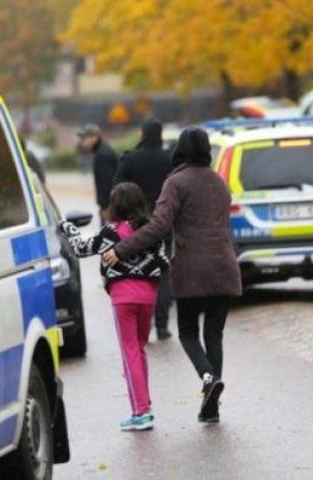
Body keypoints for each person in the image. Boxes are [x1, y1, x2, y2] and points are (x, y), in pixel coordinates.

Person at [103, 127, 242, 423]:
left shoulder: (176, 182)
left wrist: (122, 249)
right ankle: (212, 406)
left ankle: (207, 377)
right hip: (225, 267)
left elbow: (158, 226)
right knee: (214, 334)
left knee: (188, 332)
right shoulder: (219, 182)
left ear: (180, 149)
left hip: (193, 269)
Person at [59, 182, 170, 431]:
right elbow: (163, 261)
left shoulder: (110, 232)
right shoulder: (150, 232)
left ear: (115, 206)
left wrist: (68, 227)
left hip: (123, 298)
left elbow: (79, 249)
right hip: (148, 297)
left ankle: (141, 412)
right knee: (139, 349)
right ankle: (144, 404)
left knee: (129, 352)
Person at [114, 117, 173, 340]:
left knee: (137, 271)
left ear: (142, 134)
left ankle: (142, 325)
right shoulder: (169, 159)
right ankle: (162, 325)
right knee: (163, 271)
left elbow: (116, 191)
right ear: (160, 135)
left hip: (135, 225)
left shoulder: (130, 160)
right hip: (164, 223)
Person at [77, 124, 119, 224]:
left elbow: (107, 183)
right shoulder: (102, 151)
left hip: (110, 207)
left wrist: (105, 207)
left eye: (84, 138)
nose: (82, 142)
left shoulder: (102, 155)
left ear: (94, 137)